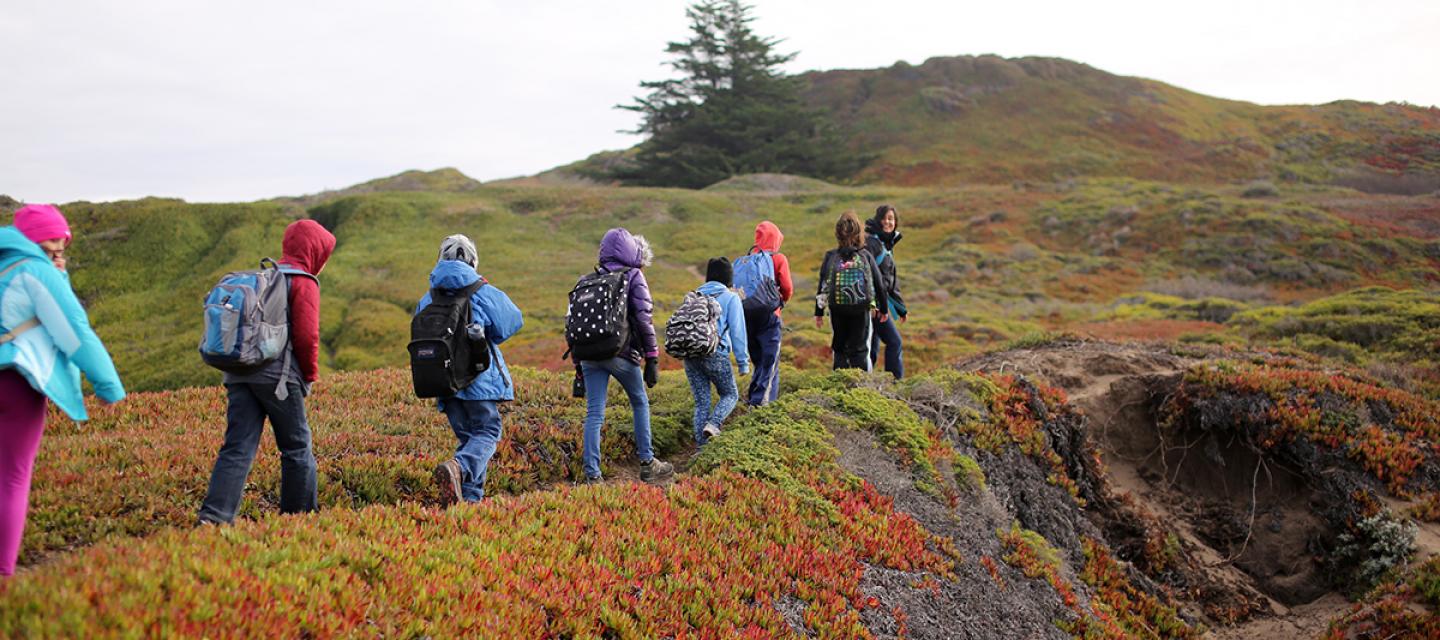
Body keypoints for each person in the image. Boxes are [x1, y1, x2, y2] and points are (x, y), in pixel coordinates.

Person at [1, 204, 126, 576]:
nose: (58, 251)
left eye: (63, 246)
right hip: (15, 385)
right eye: (53, 243)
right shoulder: (36, 271)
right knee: (11, 477)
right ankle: (3, 576)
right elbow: (73, 332)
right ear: (38, 241)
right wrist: (107, 385)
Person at [198, 219, 335, 525]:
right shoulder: (304, 281)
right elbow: (307, 337)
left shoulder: (267, 276)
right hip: (279, 380)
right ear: (315, 251)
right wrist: (309, 377)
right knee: (297, 448)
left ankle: (214, 518)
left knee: (237, 447)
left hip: (239, 373)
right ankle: (297, 520)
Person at [420, 235, 524, 504]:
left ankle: (469, 502)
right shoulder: (482, 290)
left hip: (444, 383)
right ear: (473, 260)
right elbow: (512, 322)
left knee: (470, 440)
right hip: (478, 380)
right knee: (487, 434)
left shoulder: (429, 297)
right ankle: (459, 469)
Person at [575, 228, 674, 484]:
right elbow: (644, 318)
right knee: (639, 402)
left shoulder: (587, 279)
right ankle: (647, 463)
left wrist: (578, 369)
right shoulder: (634, 276)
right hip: (621, 353)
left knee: (594, 412)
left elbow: (574, 326)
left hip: (588, 356)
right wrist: (652, 357)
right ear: (632, 250)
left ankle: (592, 475)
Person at [684, 257, 750, 444]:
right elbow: (738, 333)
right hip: (716, 354)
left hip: (691, 354)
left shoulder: (694, 295)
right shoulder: (731, 298)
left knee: (701, 403)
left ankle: (701, 450)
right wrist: (743, 363)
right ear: (728, 277)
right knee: (730, 394)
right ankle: (714, 423)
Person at [814, 211, 888, 370]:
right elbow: (879, 283)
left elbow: (823, 286)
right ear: (859, 233)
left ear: (838, 233)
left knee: (839, 349)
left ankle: (839, 386)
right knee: (860, 350)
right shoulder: (865, 255)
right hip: (861, 309)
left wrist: (819, 313)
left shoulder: (831, 256)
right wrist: (884, 309)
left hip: (837, 308)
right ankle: (861, 389)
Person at [741, 221, 792, 405]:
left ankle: (753, 399)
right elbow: (787, 287)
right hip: (770, 316)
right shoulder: (778, 258)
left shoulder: (748, 259)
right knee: (770, 364)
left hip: (747, 317)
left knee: (759, 362)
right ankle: (762, 405)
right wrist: (781, 302)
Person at [865, 205, 907, 379]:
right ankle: (896, 382)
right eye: (885, 218)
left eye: (891, 219)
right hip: (874, 306)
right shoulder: (872, 244)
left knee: (872, 347)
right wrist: (873, 303)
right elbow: (867, 275)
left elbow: (890, 280)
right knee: (894, 342)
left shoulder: (885, 245)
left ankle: (867, 383)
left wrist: (900, 308)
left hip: (879, 304)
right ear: (878, 220)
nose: (888, 222)